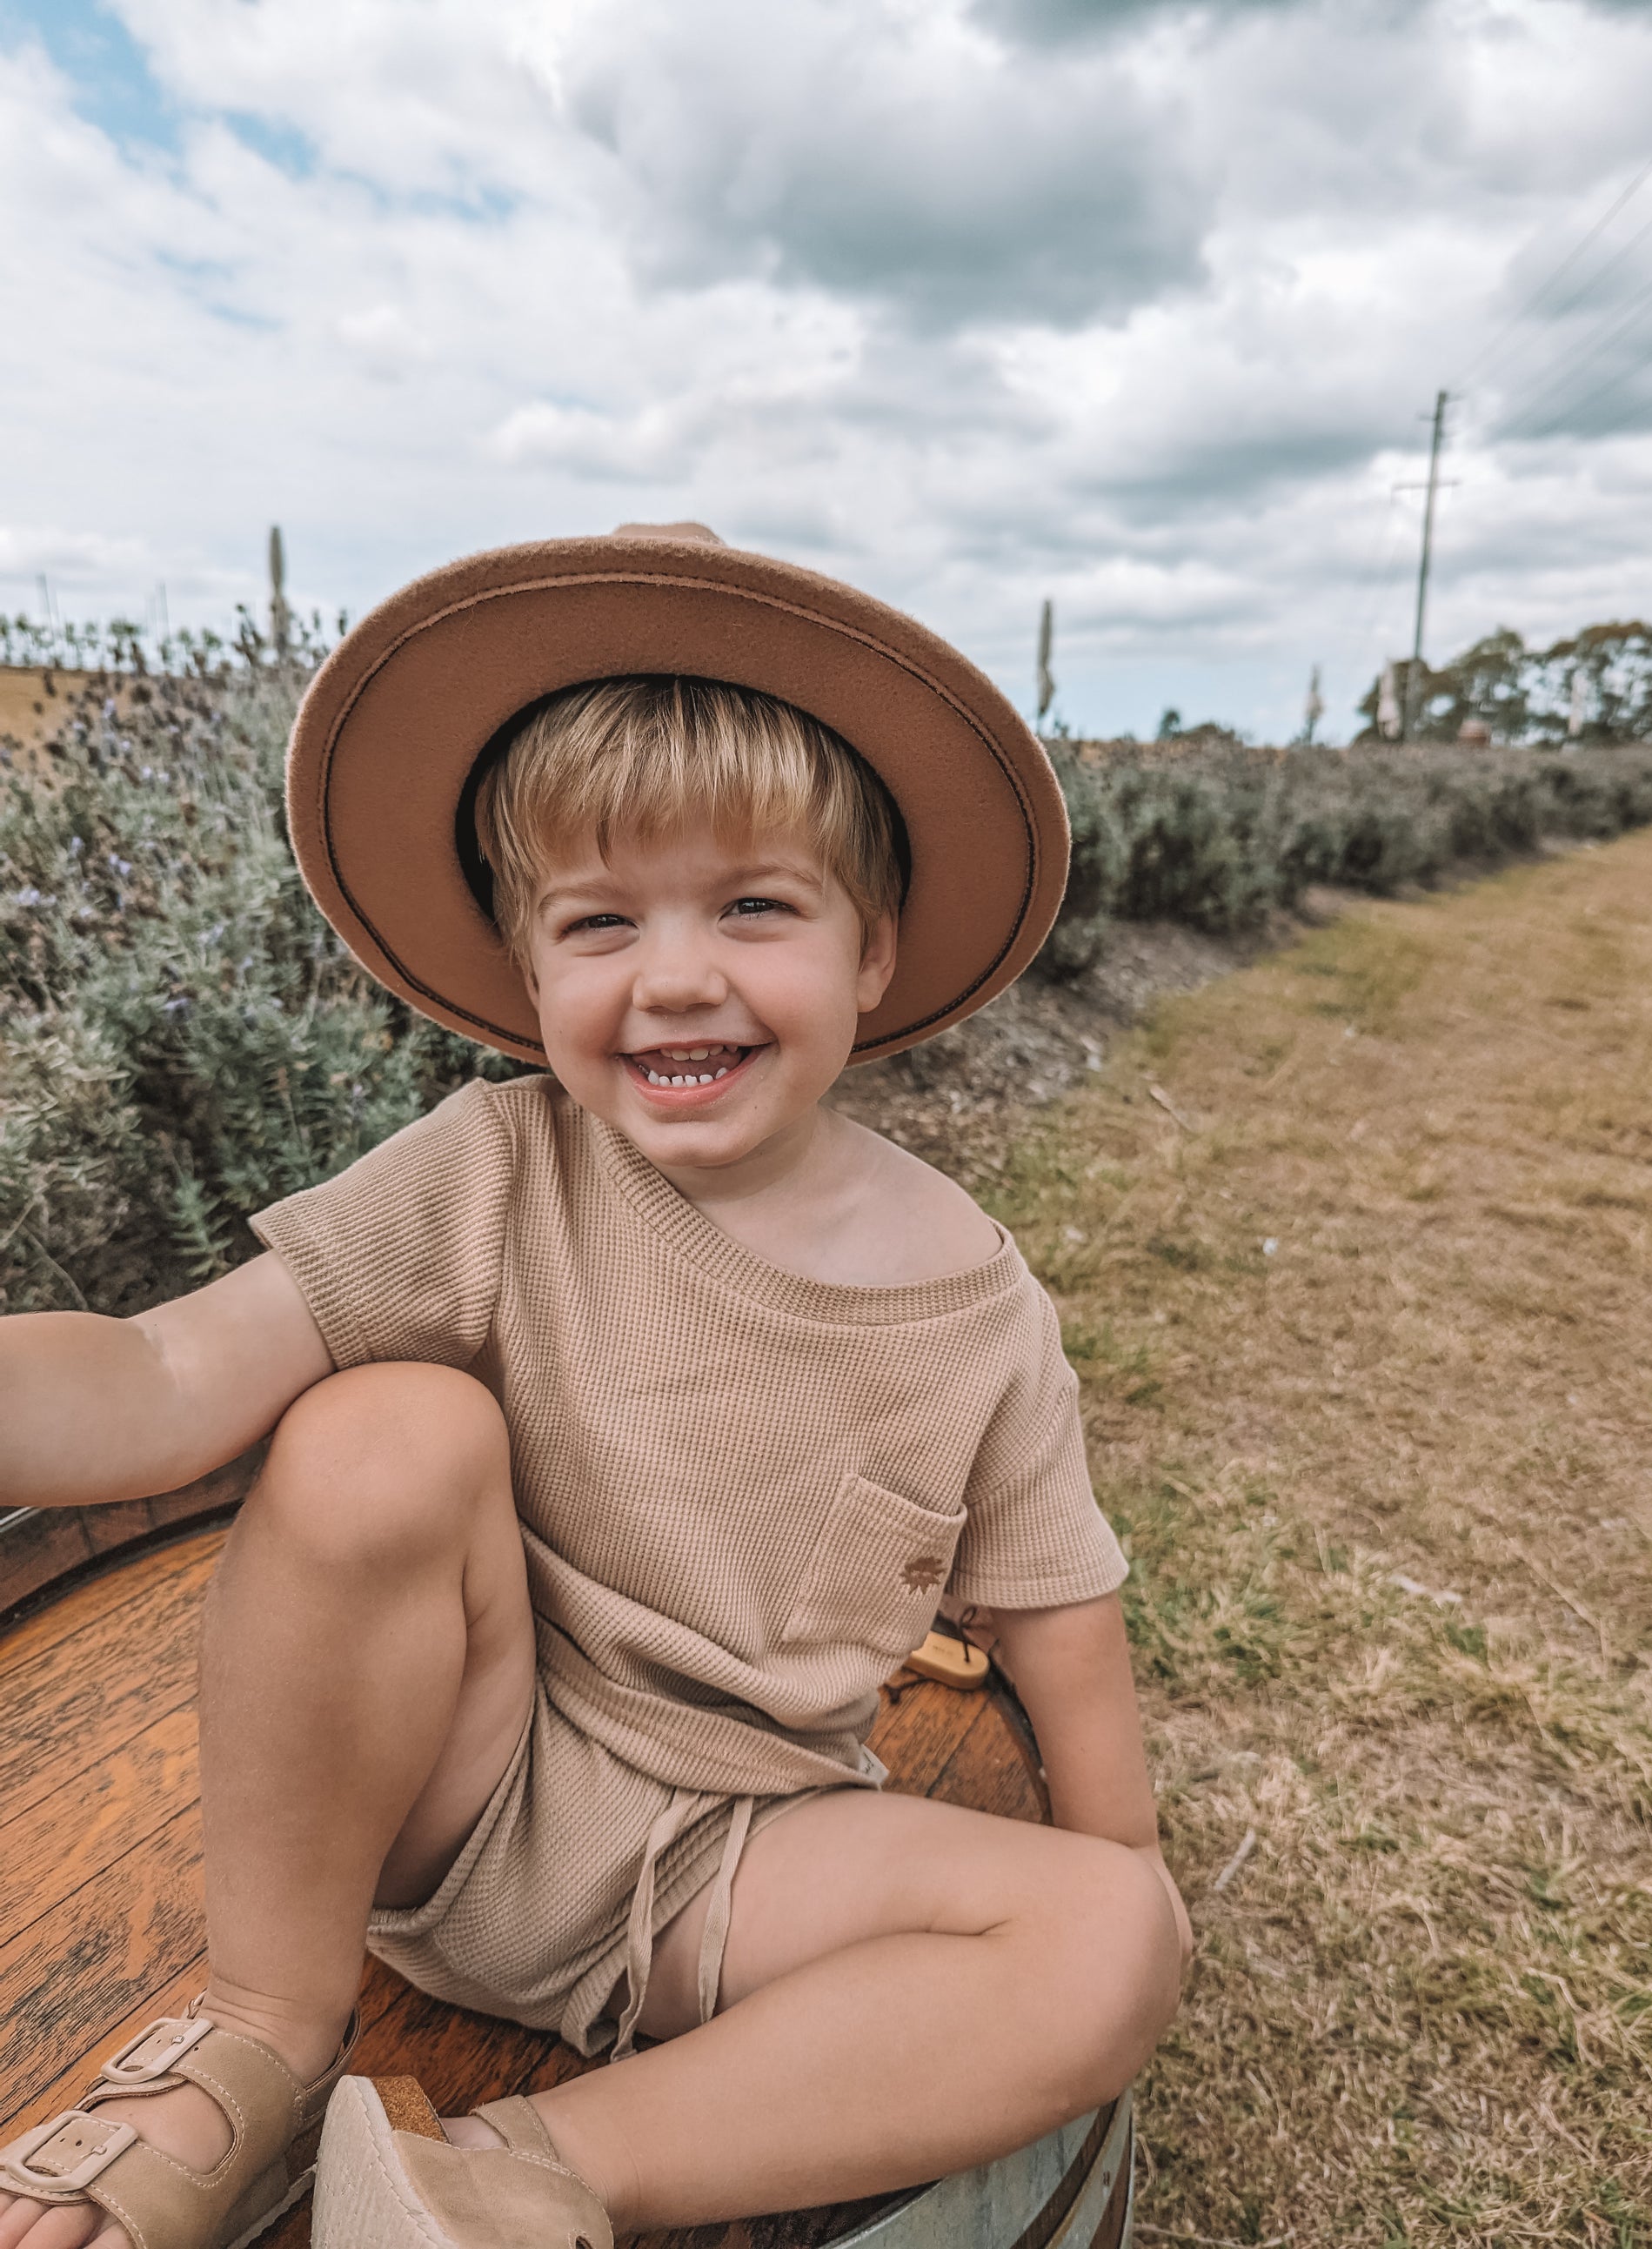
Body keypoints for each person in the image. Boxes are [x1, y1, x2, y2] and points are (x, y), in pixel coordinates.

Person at [0, 525, 1190, 2249]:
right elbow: (170, 1369)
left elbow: (1057, 1615)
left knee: (1112, 1941)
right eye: (601, 920)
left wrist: (1120, 1865)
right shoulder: (492, 1167)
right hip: (460, 1788)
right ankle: (260, 2034)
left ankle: (519, 2169)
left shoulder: (975, 1308)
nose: (676, 972)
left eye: (755, 907)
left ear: (871, 952)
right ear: (528, 966)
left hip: (739, 1858)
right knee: (385, 1428)